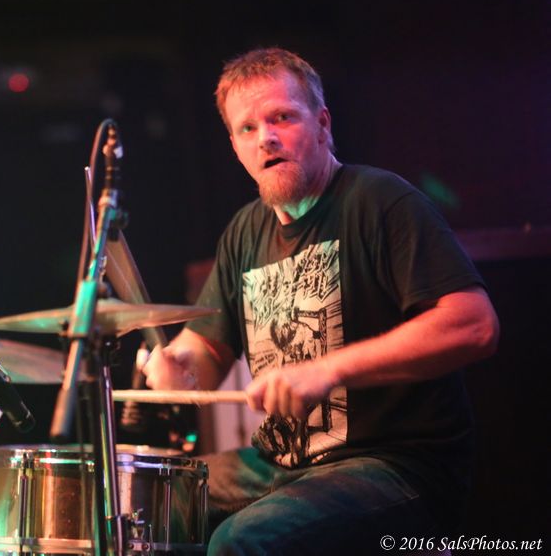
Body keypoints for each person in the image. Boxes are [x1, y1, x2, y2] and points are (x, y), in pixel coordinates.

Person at [141, 48, 499, 555]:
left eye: (282, 118)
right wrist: (177, 369)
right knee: (154, 505)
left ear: (322, 124)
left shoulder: (380, 202)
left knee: (241, 541)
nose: (265, 137)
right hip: (282, 463)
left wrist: (328, 369)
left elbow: (474, 325)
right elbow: (204, 358)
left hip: (392, 465)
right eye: (247, 128)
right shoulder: (243, 232)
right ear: (235, 148)